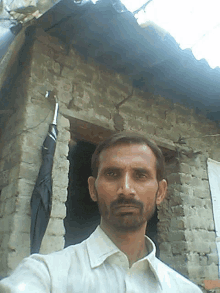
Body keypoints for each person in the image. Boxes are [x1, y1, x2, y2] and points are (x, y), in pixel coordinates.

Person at [0, 132, 203, 292]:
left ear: (161, 192)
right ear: (92, 189)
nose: (126, 189)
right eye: (112, 174)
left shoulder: (184, 289)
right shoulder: (46, 275)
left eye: (140, 175)